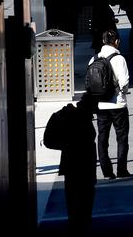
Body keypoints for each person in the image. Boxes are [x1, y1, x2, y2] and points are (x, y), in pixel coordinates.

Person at [89, 29, 133, 179]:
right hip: (117, 105)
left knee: (102, 138)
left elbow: (90, 83)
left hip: (100, 105)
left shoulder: (94, 59)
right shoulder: (119, 58)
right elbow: (124, 81)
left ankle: (107, 173)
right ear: (117, 41)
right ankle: (122, 171)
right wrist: (122, 92)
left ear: (102, 41)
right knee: (122, 138)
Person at [58, 93, 99, 234]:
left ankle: (75, 222)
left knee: (73, 197)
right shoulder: (81, 119)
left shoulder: (72, 115)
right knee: (84, 196)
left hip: (70, 164)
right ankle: (82, 222)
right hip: (83, 165)